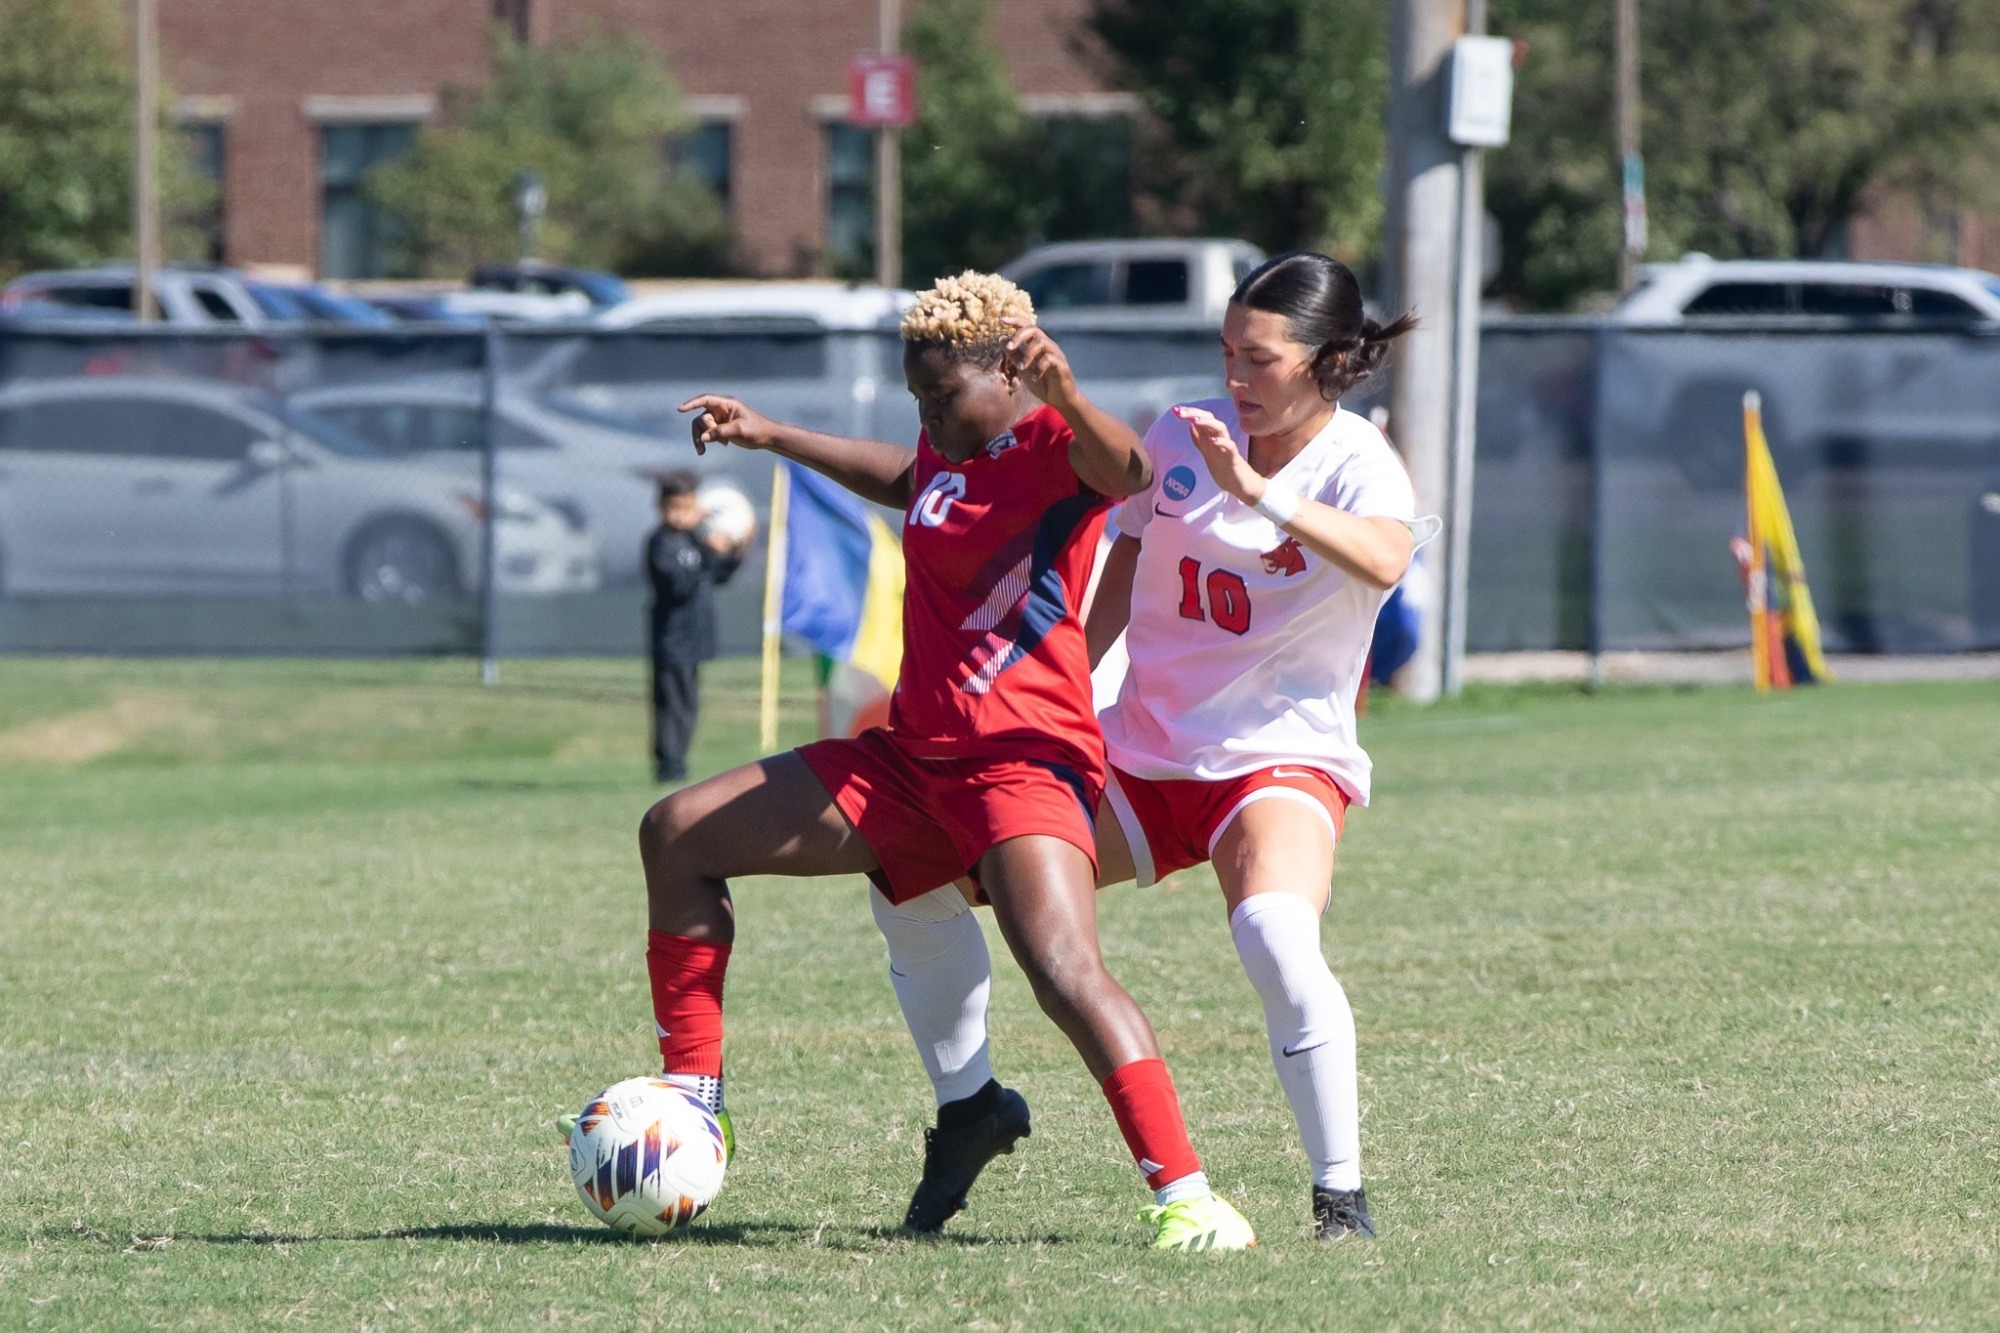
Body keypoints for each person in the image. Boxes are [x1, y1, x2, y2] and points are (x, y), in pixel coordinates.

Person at [602, 272, 1257, 1251]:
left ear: (1008, 372)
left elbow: (1124, 471)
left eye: (940, 398)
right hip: (908, 764)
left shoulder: (1048, 446)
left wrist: (1067, 392)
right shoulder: (949, 451)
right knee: (676, 832)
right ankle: (696, 1103)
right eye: (916, 399)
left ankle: (1189, 1198)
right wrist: (769, 433)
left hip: (1021, 765)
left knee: (1063, 967)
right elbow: (906, 476)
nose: (928, 419)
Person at [871, 252, 1423, 1240]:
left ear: (1328, 360)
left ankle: (1339, 1200)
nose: (1235, 378)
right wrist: (1072, 691)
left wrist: (1253, 488)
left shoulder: (1355, 462)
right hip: (1135, 752)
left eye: (1258, 358)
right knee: (916, 877)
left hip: (1272, 763)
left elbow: (1383, 557)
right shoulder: (1178, 434)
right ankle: (969, 1105)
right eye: (1225, 352)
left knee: (1273, 935)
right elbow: (1120, 559)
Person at [645, 472, 748, 783]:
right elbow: (677, 585)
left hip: (695, 636)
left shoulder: (694, 539)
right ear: (661, 507)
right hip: (670, 639)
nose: (682, 514)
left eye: (688, 507)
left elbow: (718, 575)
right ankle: (669, 767)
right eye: (675, 507)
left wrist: (733, 550)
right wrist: (707, 552)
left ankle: (680, 762)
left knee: (689, 702)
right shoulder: (660, 542)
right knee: (670, 703)